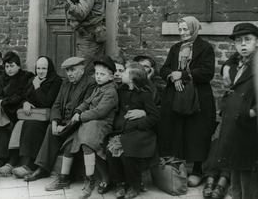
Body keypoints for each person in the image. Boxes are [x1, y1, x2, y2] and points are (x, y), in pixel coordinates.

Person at [45, 55, 118, 199]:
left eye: (102, 74)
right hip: (91, 122)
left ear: (111, 77)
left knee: (88, 144)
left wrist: (81, 116)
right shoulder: (99, 88)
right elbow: (87, 102)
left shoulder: (111, 92)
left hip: (102, 124)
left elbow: (100, 111)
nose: (98, 77)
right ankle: (65, 177)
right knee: (73, 141)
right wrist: (79, 110)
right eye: (96, 73)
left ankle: (90, 179)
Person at [158, 16, 216, 187]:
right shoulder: (176, 48)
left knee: (197, 132)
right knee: (177, 130)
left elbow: (207, 72)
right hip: (176, 97)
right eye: (180, 29)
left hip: (198, 98)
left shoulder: (205, 48)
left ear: (194, 29)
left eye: (186, 29)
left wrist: (182, 75)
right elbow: (164, 69)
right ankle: (179, 168)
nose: (182, 33)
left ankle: (198, 170)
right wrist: (171, 75)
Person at [23, 57, 96, 182]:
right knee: (51, 128)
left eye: (73, 70)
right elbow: (56, 104)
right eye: (67, 71)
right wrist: (55, 121)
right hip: (63, 121)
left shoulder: (90, 84)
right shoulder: (66, 82)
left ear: (82, 70)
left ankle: (63, 176)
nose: (69, 74)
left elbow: (84, 108)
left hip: (77, 123)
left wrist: (65, 126)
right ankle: (43, 169)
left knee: (59, 132)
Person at [214, 23, 258, 199]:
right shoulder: (238, 62)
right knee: (234, 168)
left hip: (251, 126)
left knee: (249, 173)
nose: (243, 45)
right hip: (234, 124)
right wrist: (226, 67)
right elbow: (233, 60)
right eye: (238, 41)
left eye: (248, 40)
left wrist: (252, 112)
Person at [0, 56, 62, 176]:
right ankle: (12, 162)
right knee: (18, 124)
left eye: (44, 68)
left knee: (30, 125)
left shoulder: (56, 81)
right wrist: (25, 103)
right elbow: (24, 96)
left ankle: (30, 165)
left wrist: (37, 87)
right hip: (31, 115)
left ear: (50, 69)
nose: (40, 71)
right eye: (38, 68)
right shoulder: (33, 79)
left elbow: (47, 102)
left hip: (45, 118)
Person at [106, 63, 160, 199]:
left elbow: (154, 117)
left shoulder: (145, 94)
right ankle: (120, 183)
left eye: (124, 72)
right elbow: (117, 112)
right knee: (109, 150)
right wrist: (120, 124)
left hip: (141, 133)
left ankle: (135, 185)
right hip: (123, 131)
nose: (121, 74)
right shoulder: (121, 91)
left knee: (127, 153)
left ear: (131, 78)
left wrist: (140, 119)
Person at [56, 0, 106, 75]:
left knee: (85, 72)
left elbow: (81, 13)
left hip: (91, 37)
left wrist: (69, 5)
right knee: (82, 70)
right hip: (83, 33)